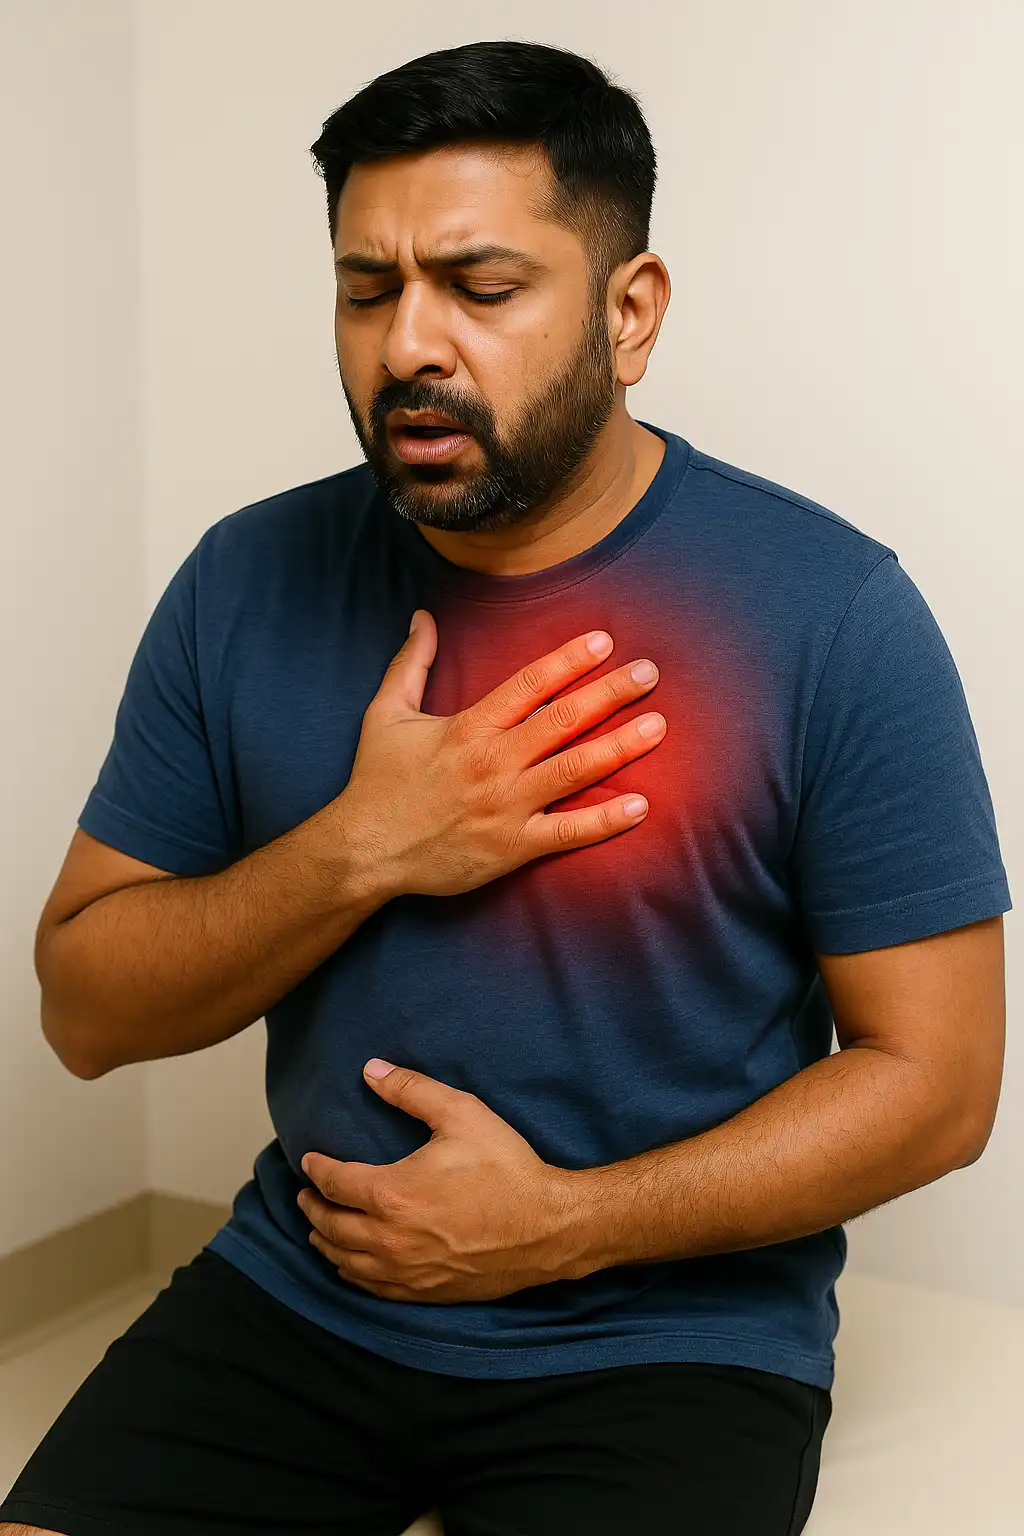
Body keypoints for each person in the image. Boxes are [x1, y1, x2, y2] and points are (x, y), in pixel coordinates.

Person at [2, 37, 1010, 1536]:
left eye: (480, 289)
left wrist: (561, 1230)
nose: (410, 343)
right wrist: (361, 849)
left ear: (630, 310)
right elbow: (85, 1012)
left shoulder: (831, 613)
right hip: (302, 1298)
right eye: (365, 288)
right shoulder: (245, 579)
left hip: (664, 1343)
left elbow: (940, 1087)